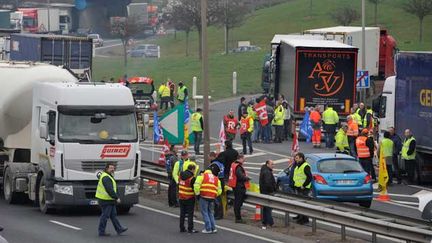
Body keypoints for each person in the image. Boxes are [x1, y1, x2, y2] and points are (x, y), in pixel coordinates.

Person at [95, 163, 128, 236]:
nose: (112, 169)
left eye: (113, 168)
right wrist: (116, 197)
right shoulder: (106, 177)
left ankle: (119, 229)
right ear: (107, 168)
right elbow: (109, 189)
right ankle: (101, 231)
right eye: (111, 168)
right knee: (105, 216)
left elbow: (113, 188)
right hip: (106, 200)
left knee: (113, 215)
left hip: (109, 200)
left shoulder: (108, 175)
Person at [194, 165, 222, 233]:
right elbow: (219, 190)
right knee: (210, 212)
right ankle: (213, 228)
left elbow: (196, 186)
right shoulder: (216, 179)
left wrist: (197, 194)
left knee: (205, 212)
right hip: (212, 197)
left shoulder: (201, 177)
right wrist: (214, 195)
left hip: (203, 196)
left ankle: (208, 228)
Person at [290, 153, 312, 225]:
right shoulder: (298, 165)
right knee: (299, 203)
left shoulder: (306, 166)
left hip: (304, 188)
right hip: (298, 187)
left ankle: (305, 219)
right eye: (295, 158)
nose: (295, 159)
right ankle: (300, 216)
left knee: (303, 204)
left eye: (297, 158)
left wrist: (304, 185)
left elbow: (309, 177)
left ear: (301, 158)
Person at [228, 153, 250, 223]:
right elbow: (240, 176)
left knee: (237, 202)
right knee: (238, 203)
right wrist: (247, 178)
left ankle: (238, 217)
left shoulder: (233, 164)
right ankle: (238, 218)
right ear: (240, 159)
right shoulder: (238, 167)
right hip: (239, 186)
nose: (244, 161)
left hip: (235, 185)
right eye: (243, 159)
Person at [178, 164, 198, 233]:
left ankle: (182, 228)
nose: (195, 171)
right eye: (194, 170)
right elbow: (195, 188)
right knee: (190, 214)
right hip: (189, 198)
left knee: (182, 213)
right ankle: (190, 228)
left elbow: (179, 184)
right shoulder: (192, 178)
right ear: (192, 169)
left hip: (181, 197)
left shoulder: (180, 175)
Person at [259, 160, 276, 229]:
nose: (273, 166)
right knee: (268, 208)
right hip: (267, 192)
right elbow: (268, 183)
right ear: (267, 164)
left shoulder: (264, 169)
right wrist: (272, 190)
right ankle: (269, 222)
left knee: (266, 208)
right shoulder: (267, 172)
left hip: (264, 191)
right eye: (272, 164)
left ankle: (266, 222)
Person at [209, 152, 225, 220]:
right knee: (218, 198)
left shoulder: (214, 165)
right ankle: (218, 213)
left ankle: (218, 214)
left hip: (217, 182)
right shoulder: (220, 163)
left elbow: (213, 175)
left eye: (209, 157)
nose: (208, 158)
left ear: (212, 156)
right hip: (221, 181)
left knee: (217, 199)